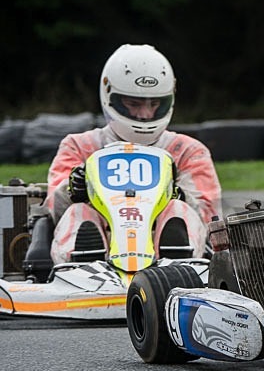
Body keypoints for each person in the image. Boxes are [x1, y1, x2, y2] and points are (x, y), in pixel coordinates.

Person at [44, 44, 222, 264]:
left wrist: (174, 193)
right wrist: (75, 189)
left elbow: (209, 217)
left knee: (179, 211)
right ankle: (82, 271)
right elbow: (54, 210)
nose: (145, 114)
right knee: (79, 213)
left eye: (154, 104)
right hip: (103, 252)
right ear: (110, 97)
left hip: (161, 257)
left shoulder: (187, 151)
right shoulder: (80, 147)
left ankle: (176, 266)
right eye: (133, 104)